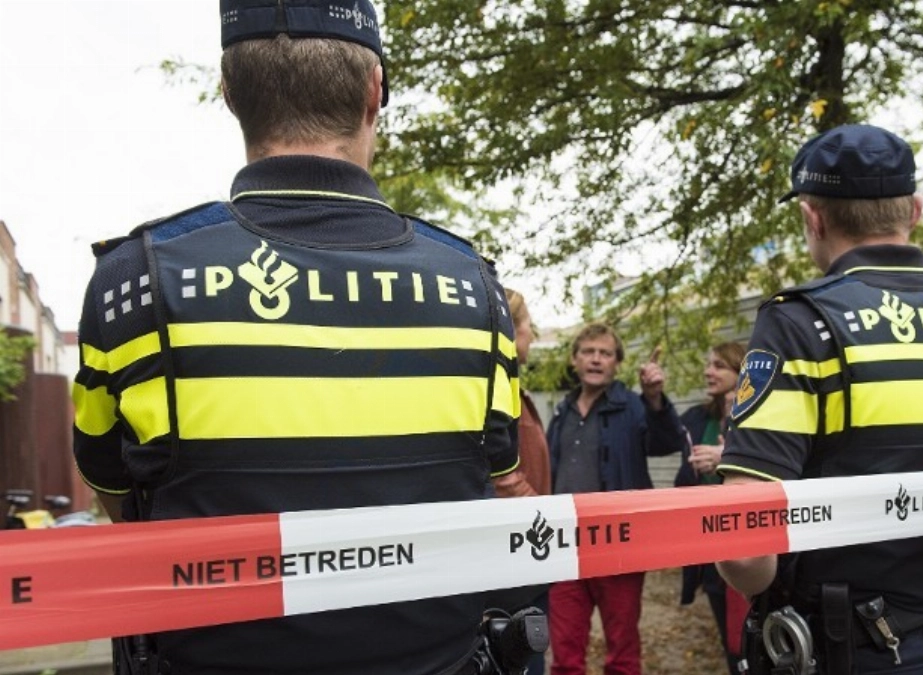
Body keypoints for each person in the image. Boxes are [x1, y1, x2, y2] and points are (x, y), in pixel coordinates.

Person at [70, 2, 521, 673]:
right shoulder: (474, 288)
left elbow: (115, 491)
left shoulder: (136, 280)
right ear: (375, 93)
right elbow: (498, 486)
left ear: (230, 94)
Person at [715, 124, 923, 675]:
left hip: (858, 649)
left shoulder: (800, 323)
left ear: (812, 218)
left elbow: (745, 549)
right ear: (914, 210)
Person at [545, 324, 689, 675]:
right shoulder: (561, 412)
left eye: (605, 353)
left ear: (617, 364)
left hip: (619, 545)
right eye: (588, 352)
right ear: (574, 359)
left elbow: (667, 443)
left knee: (622, 653)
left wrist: (655, 399)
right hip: (565, 546)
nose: (596, 359)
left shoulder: (635, 407)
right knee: (564, 655)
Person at [673, 341, 748, 675]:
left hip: (747, 542)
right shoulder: (697, 416)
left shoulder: (759, 415)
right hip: (707, 544)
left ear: (740, 371)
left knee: (751, 637)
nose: (708, 371)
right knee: (730, 639)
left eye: (719, 365)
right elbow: (661, 435)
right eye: (708, 363)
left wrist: (726, 455)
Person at [494, 289, 552, 499]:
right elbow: (503, 480)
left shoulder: (512, 390)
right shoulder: (496, 393)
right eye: (530, 325)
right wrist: (546, 517)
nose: (533, 336)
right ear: (511, 329)